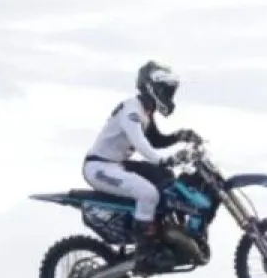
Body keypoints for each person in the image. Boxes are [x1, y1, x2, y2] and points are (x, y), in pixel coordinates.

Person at [82, 60, 202, 260]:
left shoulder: (145, 111)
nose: (169, 95)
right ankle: (144, 249)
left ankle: (165, 231)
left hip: (116, 164)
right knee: (148, 193)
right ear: (152, 87)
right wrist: (163, 160)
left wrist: (181, 136)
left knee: (166, 179)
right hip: (100, 168)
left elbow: (155, 140)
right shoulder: (132, 111)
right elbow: (140, 143)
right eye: (165, 90)